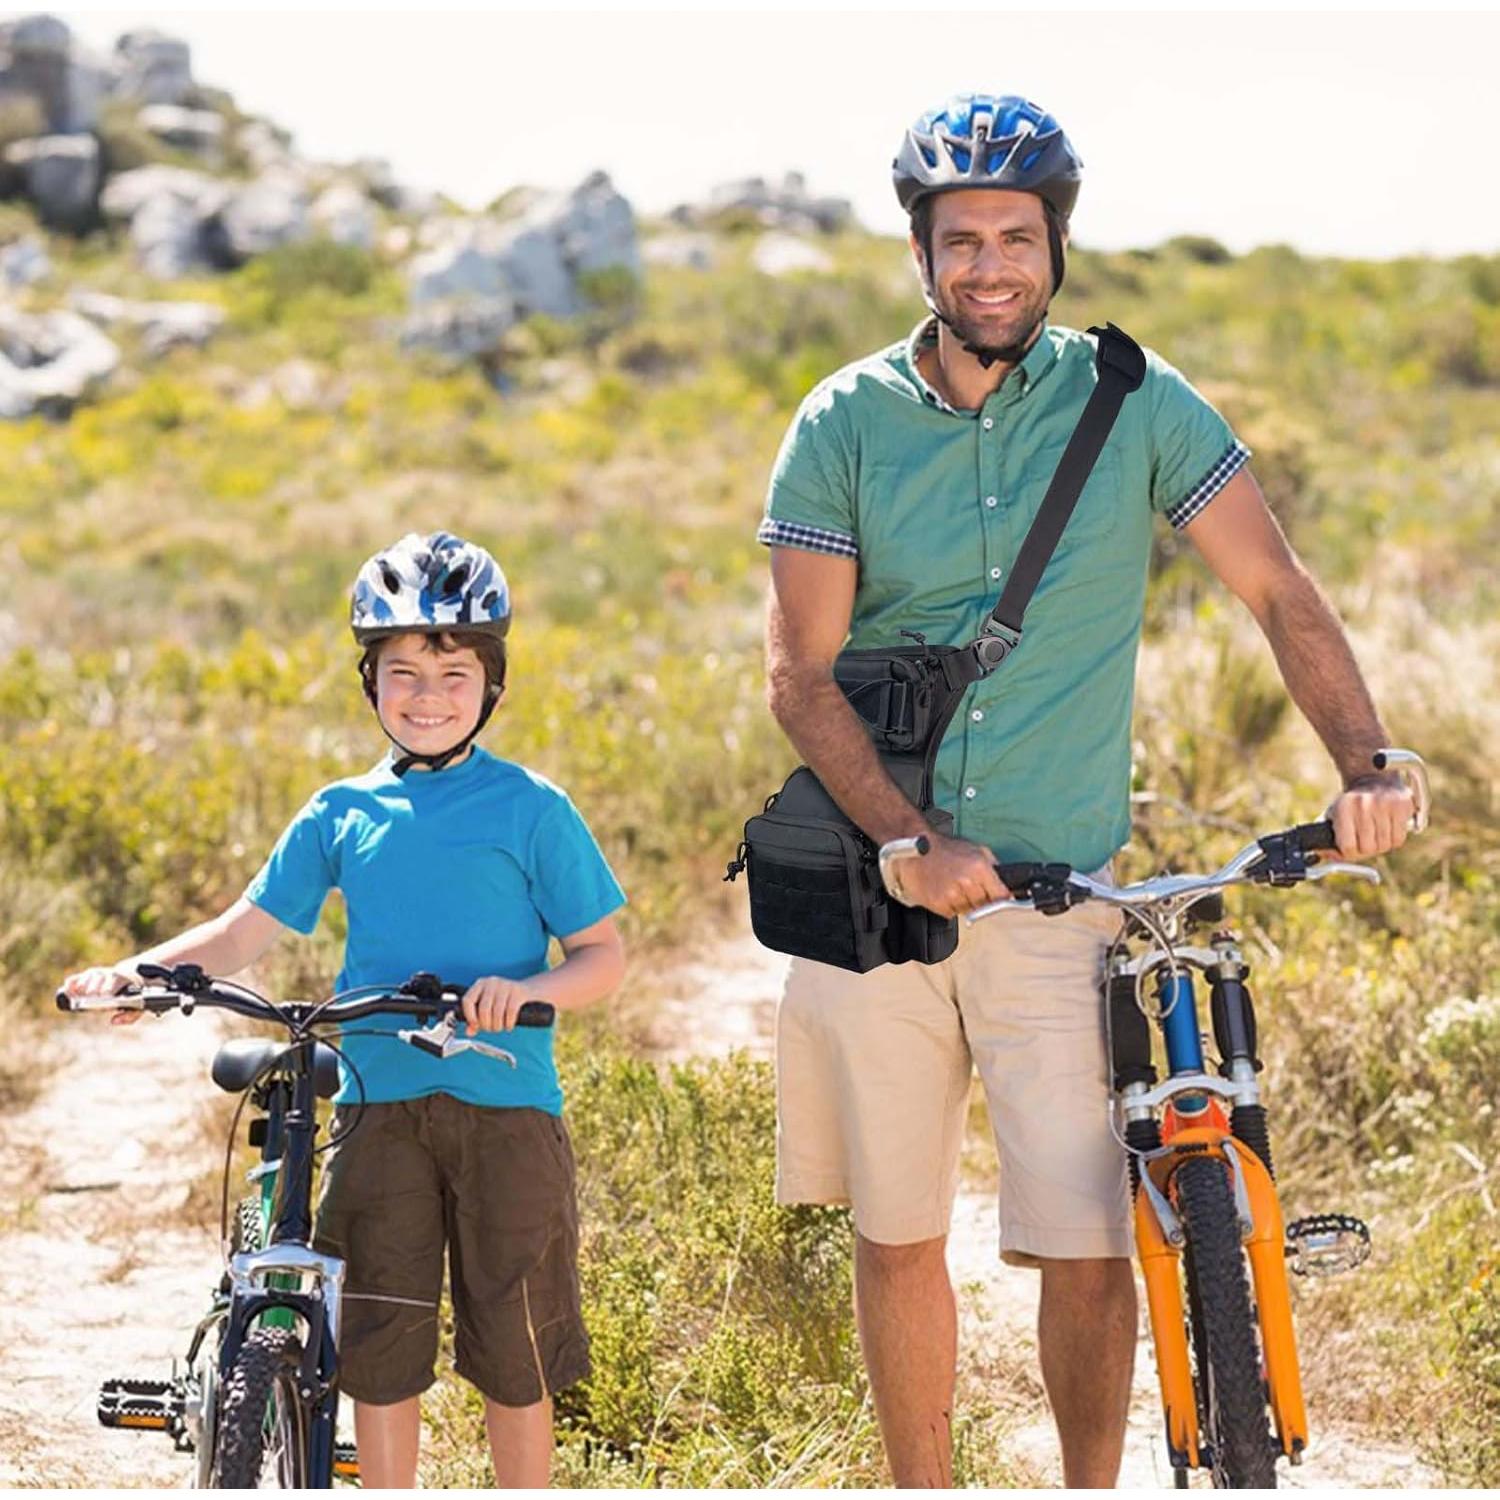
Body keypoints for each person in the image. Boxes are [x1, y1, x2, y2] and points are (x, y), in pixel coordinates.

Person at [758, 93, 1413, 1487]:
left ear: (1057, 244)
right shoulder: (844, 421)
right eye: (959, 241)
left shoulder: (1138, 403)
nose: (988, 266)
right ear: (919, 254)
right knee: (898, 1229)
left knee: (1085, 1234)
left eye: (1014, 236)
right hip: (879, 892)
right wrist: (907, 836)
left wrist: (1365, 763)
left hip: (1063, 894)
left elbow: (1276, 589)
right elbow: (800, 678)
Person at [59, 531, 627, 1489]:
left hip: (508, 1109)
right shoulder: (341, 812)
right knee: (377, 1344)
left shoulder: (532, 808)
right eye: (402, 672)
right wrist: (138, 969)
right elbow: (243, 930)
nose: (428, 695)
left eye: (453, 673)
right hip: (378, 1108)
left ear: (492, 682)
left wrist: (526, 992)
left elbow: (604, 955)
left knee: (516, 1350)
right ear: (370, 684)